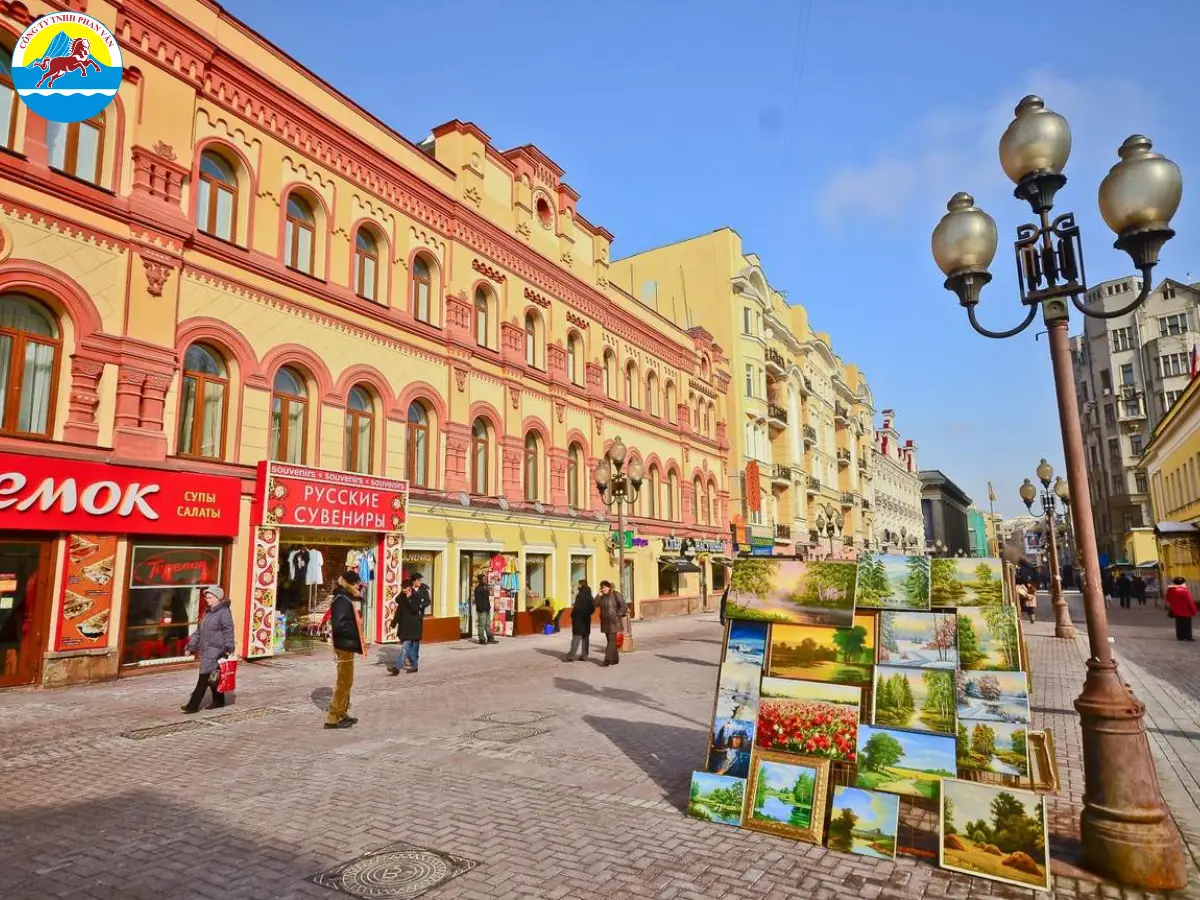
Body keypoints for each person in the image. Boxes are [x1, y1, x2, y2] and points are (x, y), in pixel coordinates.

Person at [181, 586, 235, 714]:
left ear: (217, 598)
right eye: (206, 597)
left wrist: (228, 648)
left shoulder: (224, 612)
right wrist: (191, 647)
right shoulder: (208, 612)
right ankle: (219, 701)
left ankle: (192, 706)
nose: (207, 600)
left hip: (216, 650)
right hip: (206, 650)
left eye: (210, 597)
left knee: (203, 678)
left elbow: (228, 631)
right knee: (213, 677)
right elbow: (199, 632)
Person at [325, 570, 364, 730]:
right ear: (349, 584)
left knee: (347, 681)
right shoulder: (341, 599)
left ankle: (342, 712)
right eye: (356, 584)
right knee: (344, 682)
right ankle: (333, 717)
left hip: (347, 644)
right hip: (344, 645)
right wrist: (355, 632)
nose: (358, 587)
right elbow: (340, 625)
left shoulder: (344, 596)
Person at [393, 582, 424, 673]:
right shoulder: (403, 595)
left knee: (405, 647)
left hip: (413, 626)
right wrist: (403, 594)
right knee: (410, 649)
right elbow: (397, 600)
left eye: (404, 588)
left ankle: (397, 667)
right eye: (402, 588)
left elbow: (415, 609)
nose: (403, 590)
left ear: (409, 588)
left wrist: (409, 598)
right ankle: (414, 666)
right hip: (405, 625)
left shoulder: (416, 596)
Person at [597, 580, 628, 667]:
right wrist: (598, 596)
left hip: (614, 622)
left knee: (611, 641)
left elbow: (623, 606)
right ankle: (615, 659)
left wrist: (617, 615)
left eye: (604, 588)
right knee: (610, 641)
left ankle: (607, 660)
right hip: (605, 622)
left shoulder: (615, 594)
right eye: (602, 588)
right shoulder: (602, 597)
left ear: (609, 587)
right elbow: (595, 604)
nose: (603, 589)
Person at [565, 580, 594, 662]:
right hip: (586, 620)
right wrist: (587, 613)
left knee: (576, 637)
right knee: (585, 637)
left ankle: (571, 656)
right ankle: (584, 656)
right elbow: (592, 608)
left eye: (578, 585)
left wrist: (573, 615)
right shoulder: (590, 595)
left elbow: (576, 608)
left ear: (581, 585)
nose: (577, 586)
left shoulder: (580, 595)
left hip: (578, 620)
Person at [1165, 577, 1197, 642]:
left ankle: (1180, 636)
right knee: (1187, 624)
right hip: (1186, 611)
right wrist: (1193, 610)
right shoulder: (1184, 591)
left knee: (1179, 623)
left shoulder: (1171, 590)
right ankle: (1188, 637)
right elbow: (1189, 602)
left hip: (1176, 610)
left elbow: (1168, 599)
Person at [473, 573, 496, 645]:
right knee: (481, 625)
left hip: (487, 609)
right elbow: (477, 600)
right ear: (480, 580)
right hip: (482, 610)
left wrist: (488, 607)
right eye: (484, 579)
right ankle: (482, 639)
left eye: (486, 579)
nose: (486, 580)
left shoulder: (486, 588)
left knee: (488, 624)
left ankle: (490, 638)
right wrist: (481, 609)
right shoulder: (478, 589)